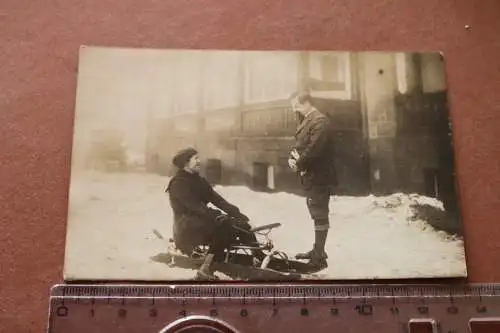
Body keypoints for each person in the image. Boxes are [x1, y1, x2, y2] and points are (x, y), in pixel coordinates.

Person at [164, 147, 259, 280]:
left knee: (240, 224)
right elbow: (195, 207)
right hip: (186, 227)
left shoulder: (198, 181)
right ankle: (206, 269)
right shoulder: (179, 183)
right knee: (224, 226)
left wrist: (240, 216)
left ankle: (259, 257)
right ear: (186, 162)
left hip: (201, 221)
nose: (199, 161)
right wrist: (217, 216)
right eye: (195, 158)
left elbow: (218, 200)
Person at [288, 91, 337, 269]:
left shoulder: (319, 121)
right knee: (316, 211)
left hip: (319, 176)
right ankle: (317, 250)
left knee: (319, 212)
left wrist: (298, 164)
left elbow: (314, 149)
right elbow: (301, 144)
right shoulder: (307, 119)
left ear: (307, 102)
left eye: (297, 105)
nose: (295, 109)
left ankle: (319, 256)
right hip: (311, 175)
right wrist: (292, 158)